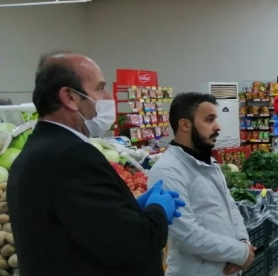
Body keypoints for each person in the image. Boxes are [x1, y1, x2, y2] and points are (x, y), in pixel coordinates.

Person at [8, 53, 185, 276]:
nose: (108, 97)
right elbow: (130, 245)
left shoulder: (35, 151)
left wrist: (130, 209)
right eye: (100, 88)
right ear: (70, 97)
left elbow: (83, 227)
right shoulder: (71, 156)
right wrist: (158, 211)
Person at [147, 92, 256, 276]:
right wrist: (241, 253)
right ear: (185, 125)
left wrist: (243, 242)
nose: (218, 126)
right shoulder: (167, 170)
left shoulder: (210, 163)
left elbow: (230, 207)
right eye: (209, 120)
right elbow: (187, 235)